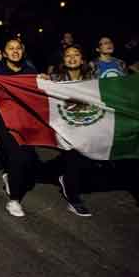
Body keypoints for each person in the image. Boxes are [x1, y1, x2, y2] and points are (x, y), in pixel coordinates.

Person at [0, 38, 39, 217]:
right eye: (10, 48)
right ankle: (14, 200)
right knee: (17, 156)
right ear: (4, 53)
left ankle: (6, 166)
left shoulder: (30, 70)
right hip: (6, 120)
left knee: (27, 158)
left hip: (26, 120)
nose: (15, 51)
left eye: (18, 48)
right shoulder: (0, 68)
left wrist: (43, 80)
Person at [46, 44, 96, 216]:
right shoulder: (55, 78)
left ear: (82, 60)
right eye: (68, 55)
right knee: (72, 158)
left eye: (76, 55)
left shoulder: (92, 78)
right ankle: (73, 199)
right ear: (63, 60)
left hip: (86, 123)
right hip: (64, 125)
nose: (72, 58)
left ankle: (67, 178)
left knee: (84, 158)